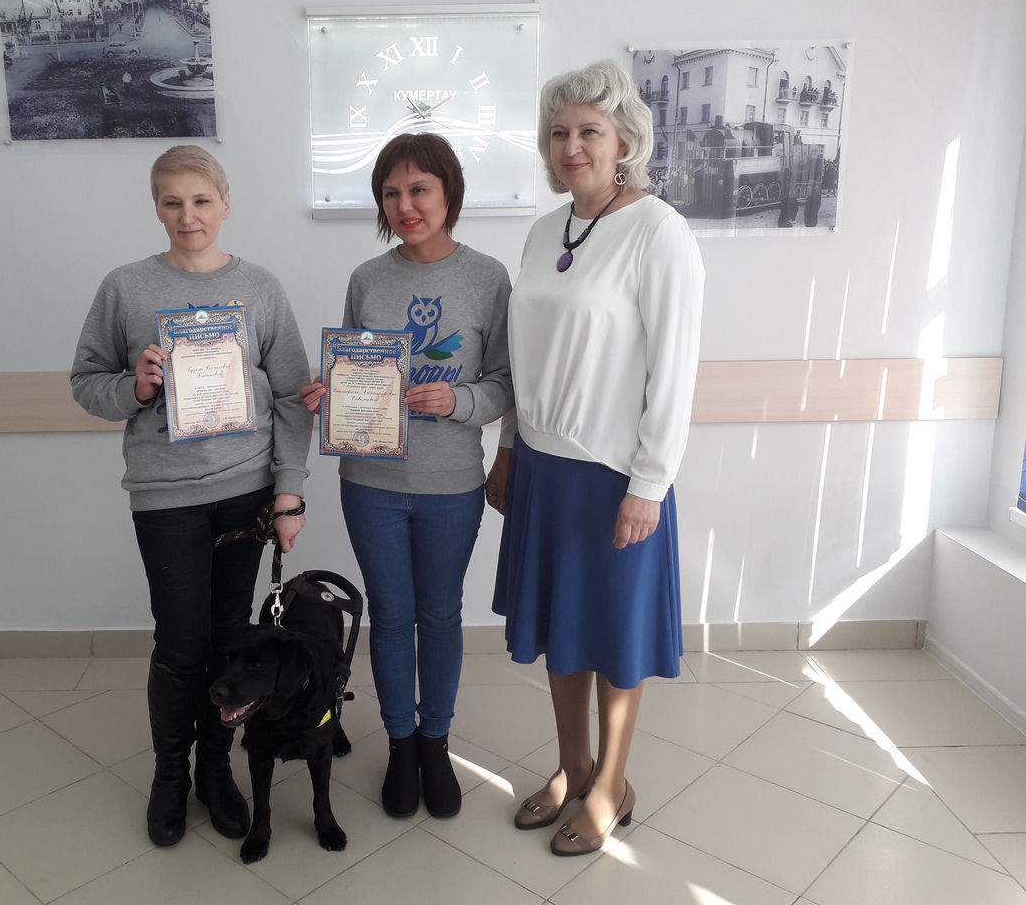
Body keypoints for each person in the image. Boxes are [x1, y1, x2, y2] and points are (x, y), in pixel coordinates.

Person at [485, 60, 704, 856]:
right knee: (560, 627)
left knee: (612, 635)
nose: (571, 145)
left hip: (615, 475)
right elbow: (526, 358)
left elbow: (674, 372)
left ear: (623, 141)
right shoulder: (545, 231)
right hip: (544, 467)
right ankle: (573, 766)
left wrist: (650, 484)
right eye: (558, 132)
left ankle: (611, 782)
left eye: (588, 131)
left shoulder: (658, 231)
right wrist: (509, 447)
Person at [71, 145, 312, 847]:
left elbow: (292, 398)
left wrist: (289, 491)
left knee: (231, 639)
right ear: (157, 208)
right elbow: (86, 383)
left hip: (245, 490)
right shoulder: (126, 288)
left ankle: (216, 770)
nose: (188, 215)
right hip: (165, 494)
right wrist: (136, 387)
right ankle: (171, 776)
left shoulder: (260, 288)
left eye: (201, 200)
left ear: (225, 203)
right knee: (181, 643)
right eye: (172, 202)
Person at [302, 133, 512, 819]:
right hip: (371, 483)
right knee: (391, 617)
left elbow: (506, 384)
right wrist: (329, 395)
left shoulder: (487, 278)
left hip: (452, 482)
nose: (405, 205)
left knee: (440, 615)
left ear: (450, 193)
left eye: (419, 189)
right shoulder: (368, 279)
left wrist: (459, 401)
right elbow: (352, 371)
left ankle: (434, 744)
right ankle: (399, 745)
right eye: (391, 194)